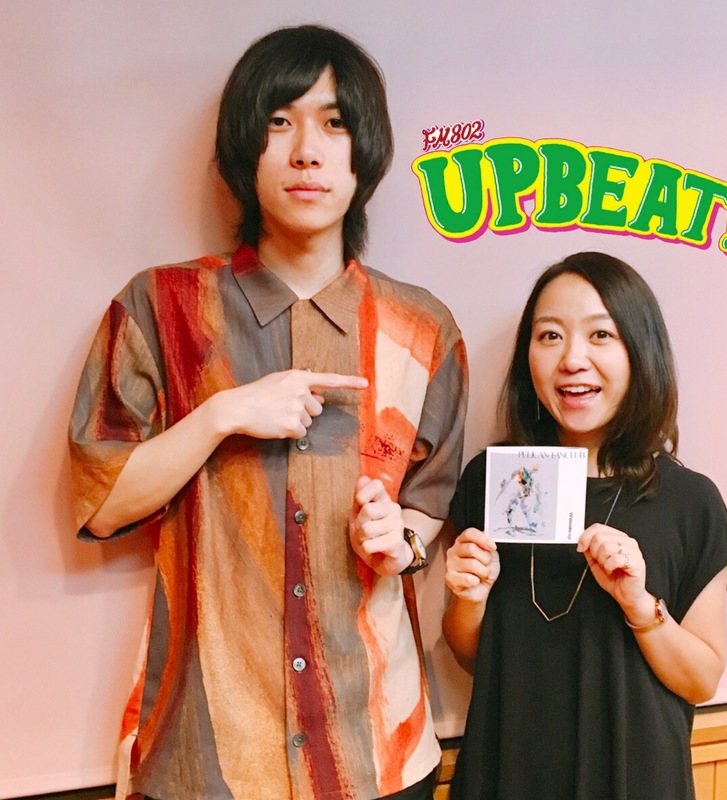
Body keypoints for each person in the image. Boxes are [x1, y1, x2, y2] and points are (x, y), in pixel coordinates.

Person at [69, 25, 467, 800]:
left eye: (334, 123)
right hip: (205, 756)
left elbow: (431, 502)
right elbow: (101, 501)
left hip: (377, 752)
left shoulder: (423, 328)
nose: (307, 151)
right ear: (244, 148)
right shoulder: (160, 307)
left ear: (365, 152)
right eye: (280, 122)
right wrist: (219, 416)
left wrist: (400, 540)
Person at [442, 252, 727, 800]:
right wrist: (469, 599)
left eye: (601, 335)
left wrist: (639, 607)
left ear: (640, 352)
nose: (572, 359)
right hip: (506, 772)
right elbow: (472, 654)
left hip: (635, 779)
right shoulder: (492, 481)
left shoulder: (691, 501)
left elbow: (702, 679)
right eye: (550, 336)